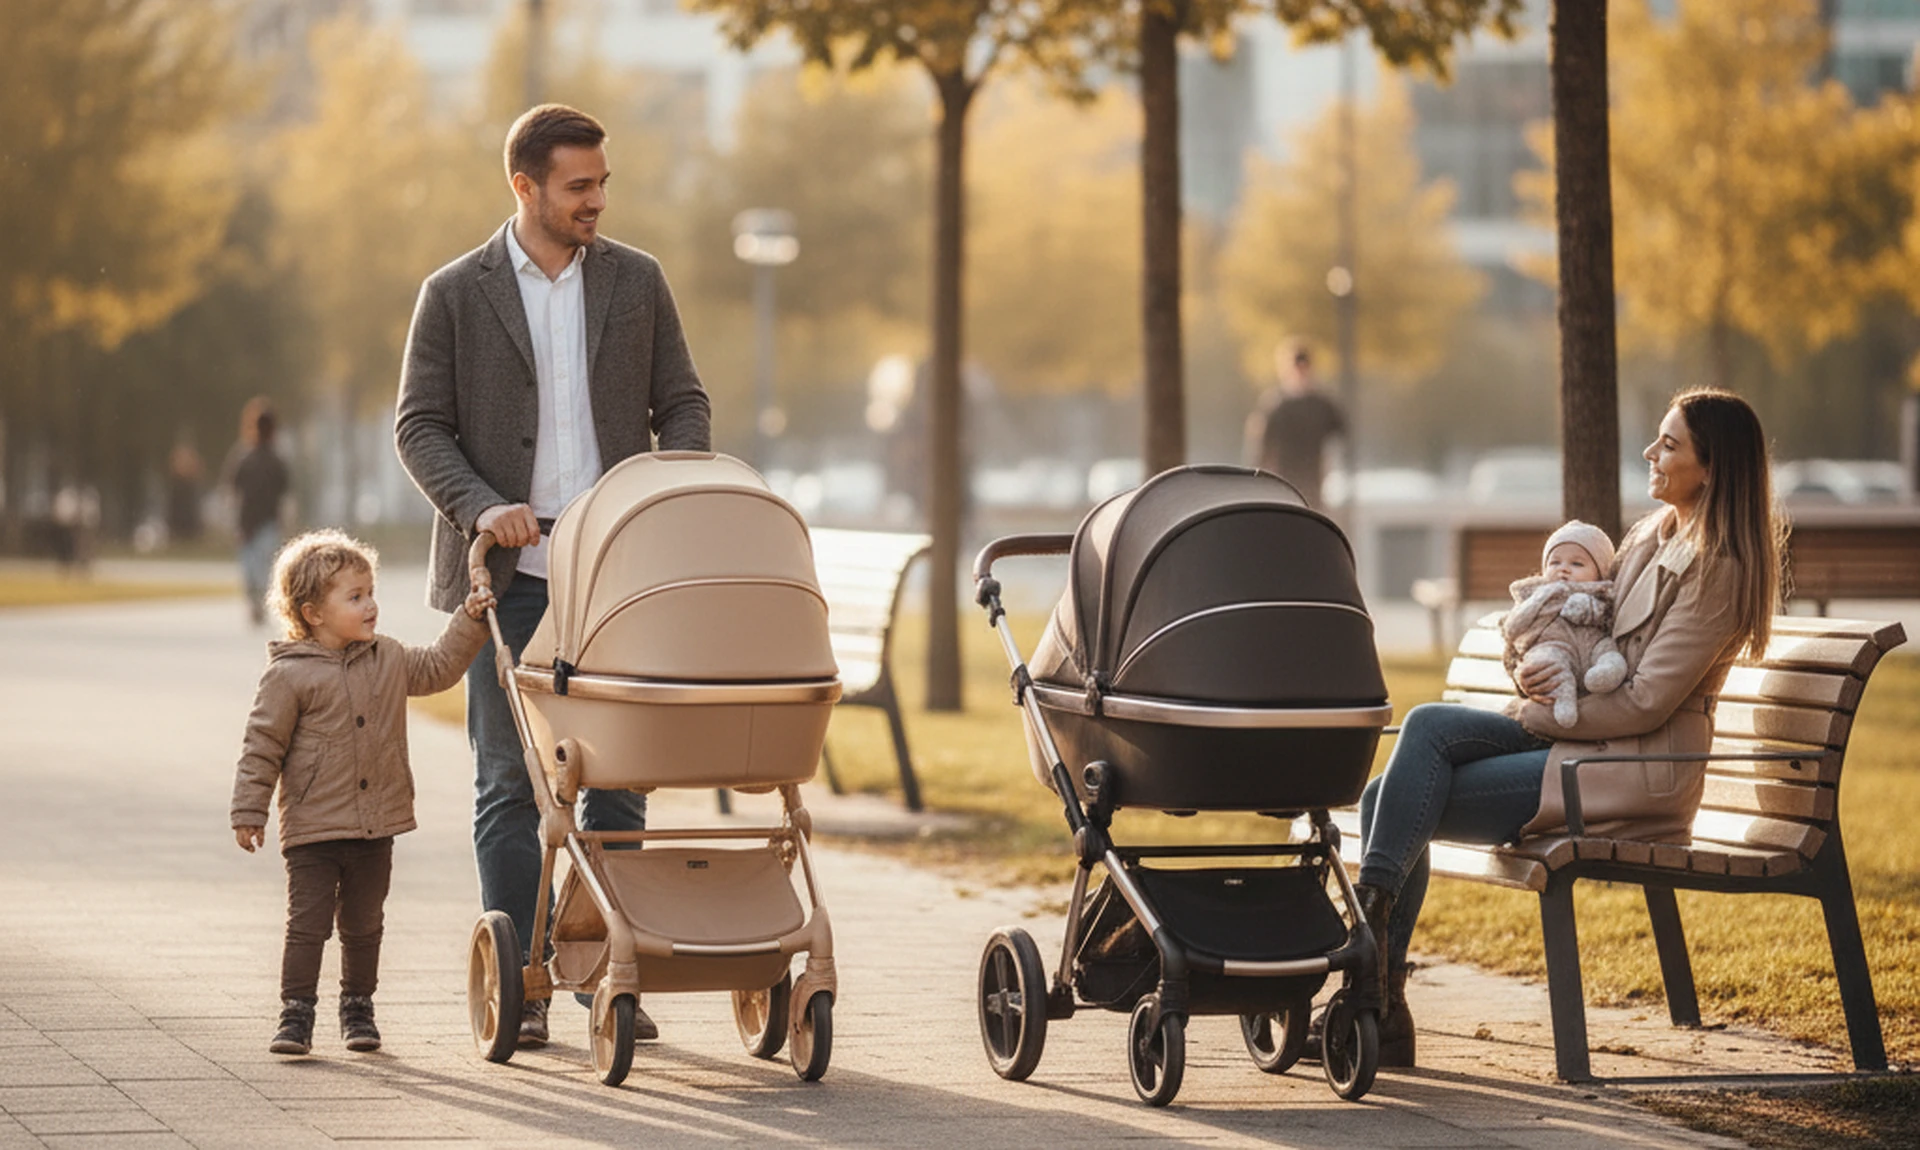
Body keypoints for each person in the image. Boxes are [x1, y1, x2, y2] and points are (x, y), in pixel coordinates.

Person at [1341, 388, 1783, 1069]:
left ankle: (1367, 991)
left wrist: (1539, 712)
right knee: (1422, 734)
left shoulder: (1719, 566)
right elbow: (1584, 629)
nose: (1650, 453)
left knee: (1390, 804)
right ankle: (1374, 989)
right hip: (1584, 739)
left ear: (1712, 468)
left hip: (1631, 770)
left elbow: (1644, 703)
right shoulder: (1653, 535)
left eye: (1669, 444)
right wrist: (1536, 673)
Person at [394, 103, 712, 1048]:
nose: (597, 202)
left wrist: (667, 487)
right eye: (580, 186)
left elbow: (683, 401)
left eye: (603, 184)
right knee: (508, 779)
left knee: (620, 779)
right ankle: (526, 979)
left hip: (616, 572)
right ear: (524, 186)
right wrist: (482, 503)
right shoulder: (454, 292)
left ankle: (608, 970)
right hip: (506, 576)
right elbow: (419, 426)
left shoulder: (637, 282)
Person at [231, 530, 493, 1056]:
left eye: (370, 593)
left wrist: (470, 618)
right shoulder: (289, 675)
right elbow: (262, 744)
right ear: (313, 614)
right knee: (307, 927)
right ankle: (296, 1013)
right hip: (313, 828)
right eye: (354, 597)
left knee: (364, 925)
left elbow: (440, 667)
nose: (371, 605)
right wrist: (249, 808)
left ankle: (358, 1009)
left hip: (376, 825)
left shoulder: (389, 658)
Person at [1500, 520, 1628, 727]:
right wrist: (1521, 673)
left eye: (1577, 564)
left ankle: (1606, 672)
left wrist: (1588, 608)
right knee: (1549, 660)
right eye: (1555, 563)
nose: (1564, 570)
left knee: (1607, 653)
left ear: (1600, 572)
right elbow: (1513, 639)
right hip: (1552, 651)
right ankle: (1563, 698)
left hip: (1592, 648)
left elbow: (1608, 620)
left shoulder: (1605, 596)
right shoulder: (1535, 596)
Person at [1242, 341, 1346, 509]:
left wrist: (1330, 466)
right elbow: (1262, 447)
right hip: (1283, 479)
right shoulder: (1276, 405)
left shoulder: (1322, 405)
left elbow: (1337, 440)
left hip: (1313, 477)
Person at [223, 398, 291, 625]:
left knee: (253, 570)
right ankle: (257, 603)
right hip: (262, 523)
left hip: (251, 523)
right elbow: (284, 496)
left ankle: (256, 603)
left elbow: (232, 490)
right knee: (259, 569)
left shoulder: (246, 457)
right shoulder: (273, 459)